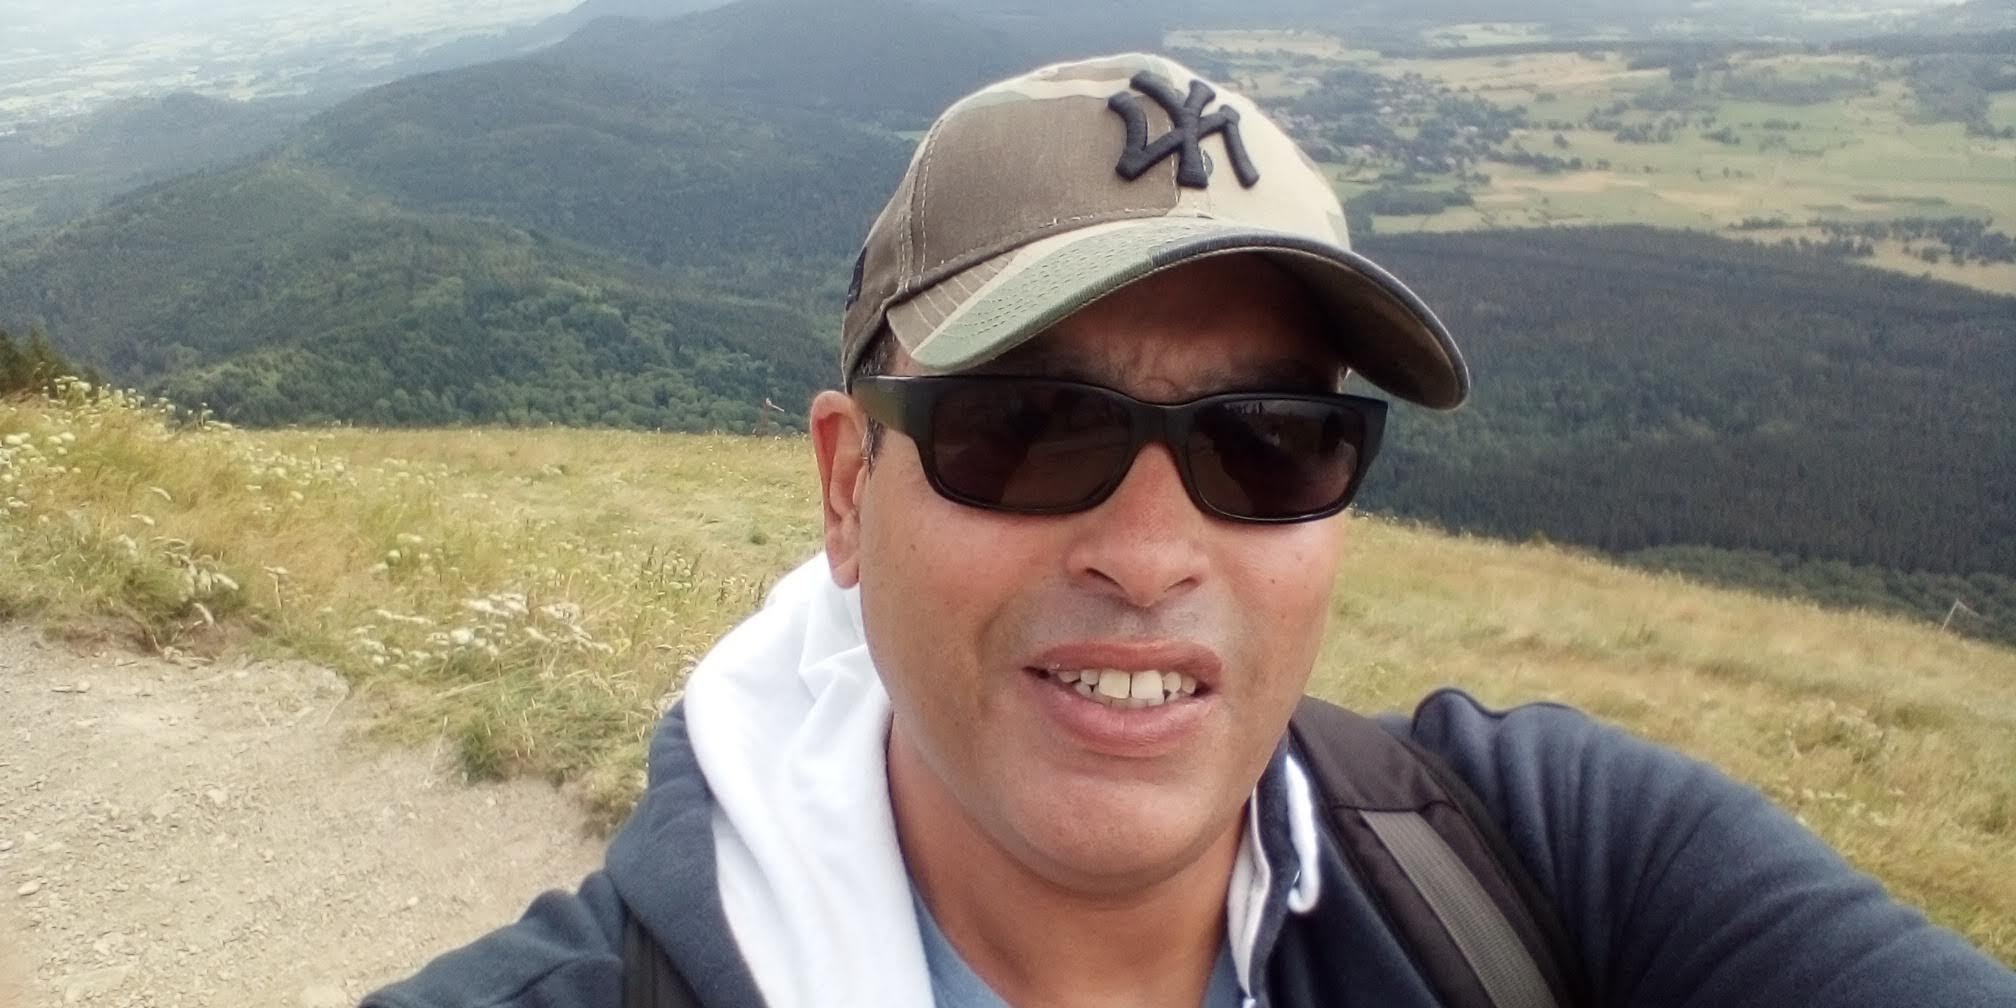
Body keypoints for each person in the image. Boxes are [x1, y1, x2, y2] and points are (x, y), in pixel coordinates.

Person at [363, 53, 2016, 1008]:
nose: (1151, 554)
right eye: (1030, 428)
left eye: (1273, 442)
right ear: (849, 490)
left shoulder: (1556, 864)